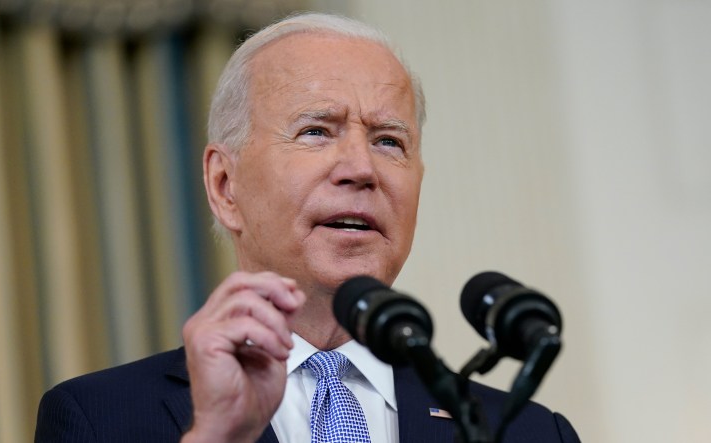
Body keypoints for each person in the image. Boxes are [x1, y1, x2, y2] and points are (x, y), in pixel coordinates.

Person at [35, 12, 580, 443]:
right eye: (317, 131)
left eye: (389, 140)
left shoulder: (527, 431)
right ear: (225, 185)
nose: (361, 169)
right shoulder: (98, 420)